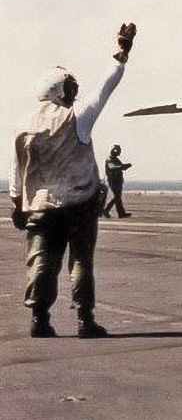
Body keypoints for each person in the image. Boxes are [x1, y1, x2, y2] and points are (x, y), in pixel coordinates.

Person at [9, 23, 137, 338]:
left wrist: (17, 205)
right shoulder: (77, 117)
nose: (73, 92)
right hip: (79, 205)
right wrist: (121, 53)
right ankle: (84, 320)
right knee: (80, 260)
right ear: (60, 90)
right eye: (69, 87)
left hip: (41, 206)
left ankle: (39, 319)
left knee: (41, 261)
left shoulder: (22, 125)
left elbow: (17, 171)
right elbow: (105, 88)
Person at [103, 144, 133, 218]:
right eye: (118, 151)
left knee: (117, 197)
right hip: (113, 180)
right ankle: (118, 212)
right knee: (116, 196)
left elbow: (121, 167)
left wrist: (125, 166)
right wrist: (123, 166)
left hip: (117, 180)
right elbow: (114, 167)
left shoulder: (115, 159)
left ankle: (112, 211)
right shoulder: (110, 159)